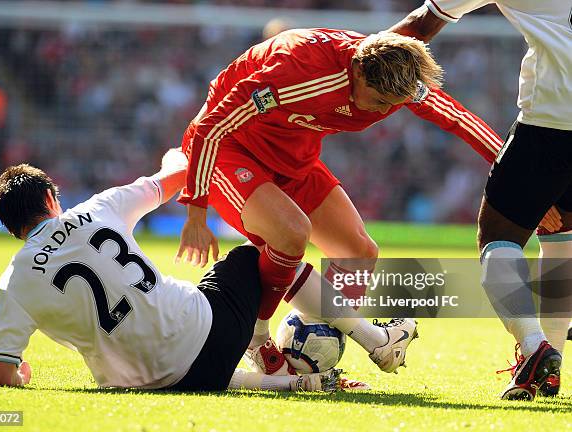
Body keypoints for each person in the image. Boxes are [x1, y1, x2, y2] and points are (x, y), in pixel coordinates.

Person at [175, 28, 507, 374]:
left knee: (359, 252)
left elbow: (459, 119)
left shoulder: (397, 80)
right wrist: (196, 214)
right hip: (232, 150)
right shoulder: (295, 74)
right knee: (290, 234)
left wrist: (515, 178)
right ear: (358, 73)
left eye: (394, 106)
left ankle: (310, 360)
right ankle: (256, 336)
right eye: (380, 102)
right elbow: (210, 127)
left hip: (294, 155)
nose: (385, 112)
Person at [0, 152, 340, 392]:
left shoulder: (14, 282)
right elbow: (177, 175)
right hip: (216, 335)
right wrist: (177, 153)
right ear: (50, 199)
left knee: (169, 361)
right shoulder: (98, 209)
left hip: (149, 383)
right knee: (264, 249)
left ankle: (276, 381)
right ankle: (362, 336)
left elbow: (0, 375)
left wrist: (20, 376)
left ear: (12, 227)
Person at [389, 1, 571, 400]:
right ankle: (546, 369)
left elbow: (422, 23)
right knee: (563, 238)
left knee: (497, 239)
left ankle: (535, 348)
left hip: (553, 122)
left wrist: (353, 55)